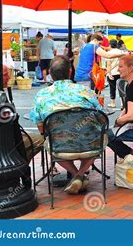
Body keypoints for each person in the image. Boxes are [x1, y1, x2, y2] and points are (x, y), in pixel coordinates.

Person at [29, 56, 107, 194]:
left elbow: (40, 125)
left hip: (60, 148)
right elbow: (102, 119)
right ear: (70, 71)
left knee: (49, 142)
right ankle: (80, 174)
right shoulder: (86, 92)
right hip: (90, 146)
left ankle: (77, 175)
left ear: (51, 75)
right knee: (101, 137)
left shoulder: (41, 95)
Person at [105, 39, 124, 108]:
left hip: (112, 73)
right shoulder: (121, 52)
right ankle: (123, 103)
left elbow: (109, 64)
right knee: (121, 88)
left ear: (110, 45)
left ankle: (113, 103)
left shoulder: (109, 53)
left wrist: (109, 74)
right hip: (120, 72)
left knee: (112, 88)